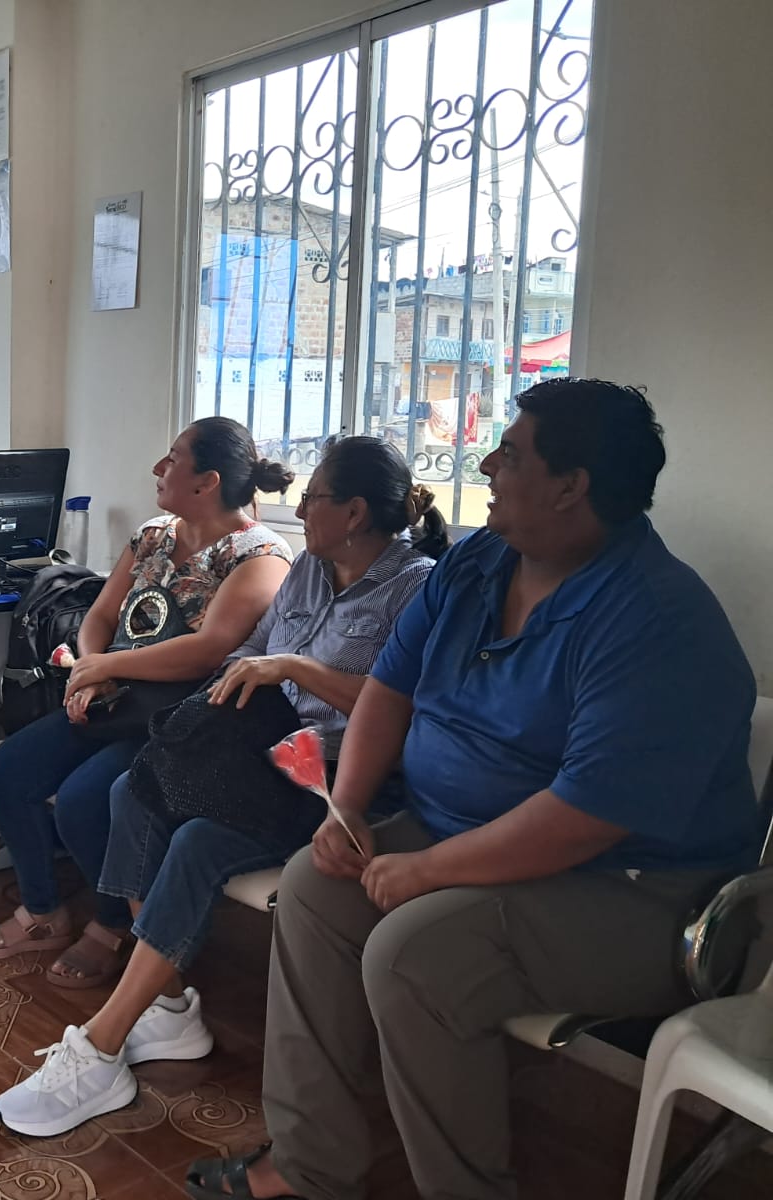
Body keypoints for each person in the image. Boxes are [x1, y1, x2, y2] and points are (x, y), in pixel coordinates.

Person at [187, 379, 759, 1200]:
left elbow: (583, 819)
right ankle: (314, 1163)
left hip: (641, 891)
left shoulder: (656, 620)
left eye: (512, 454)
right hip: (470, 834)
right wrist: (350, 809)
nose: (486, 464)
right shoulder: (481, 562)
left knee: (416, 954)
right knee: (314, 886)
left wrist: (430, 869)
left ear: (571, 486)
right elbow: (390, 688)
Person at [0, 436, 449, 1137]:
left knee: (198, 841)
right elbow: (248, 652)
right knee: (131, 789)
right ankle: (169, 1007)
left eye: (313, 498)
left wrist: (295, 670)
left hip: (334, 779)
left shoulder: (417, 587)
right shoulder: (312, 568)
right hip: (259, 754)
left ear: (355, 513)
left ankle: (102, 1045)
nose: (299, 508)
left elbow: (403, 706)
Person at [0, 417, 294, 988]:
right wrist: (92, 671)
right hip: (112, 698)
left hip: (177, 721)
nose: (158, 469)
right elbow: (100, 614)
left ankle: (112, 926)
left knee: (82, 801)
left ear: (208, 481)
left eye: (173, 459)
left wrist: (106, 668)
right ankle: (44, 911)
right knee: (9, 770)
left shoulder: (262, 554)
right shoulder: (153, 535)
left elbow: (209, 649)